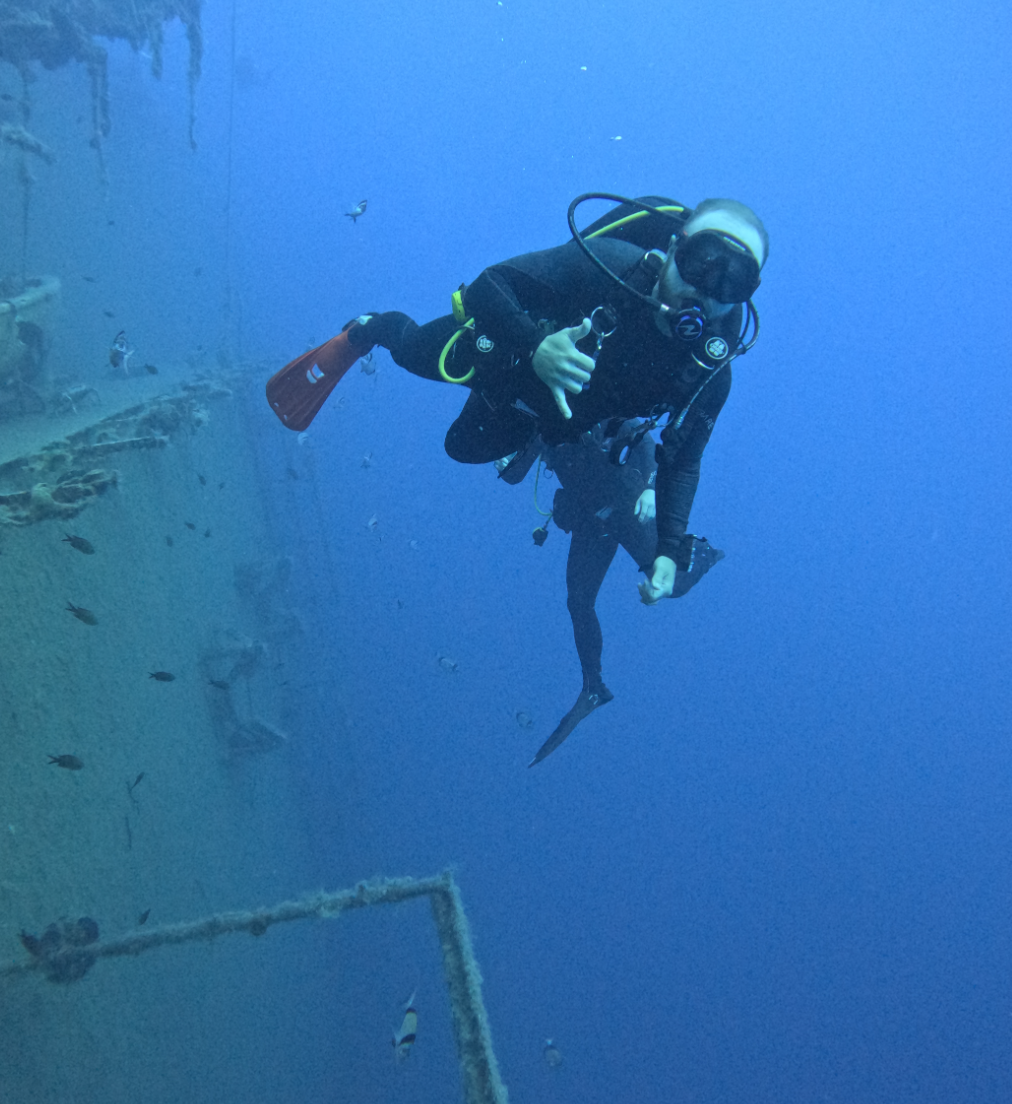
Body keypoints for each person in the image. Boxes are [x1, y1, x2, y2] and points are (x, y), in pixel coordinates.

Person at [266, 190, 767, 694]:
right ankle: (369, 329)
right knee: (416, 352)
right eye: (701, 261)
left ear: (745, 295)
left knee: (464, 447)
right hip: (505, 352)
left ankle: (533, 437)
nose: (706, 288)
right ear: (675, 247)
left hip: (555, 418)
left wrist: (669, 549)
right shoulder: (612, 268)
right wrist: (535, 348)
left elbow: (682, 461)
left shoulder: (708, 374)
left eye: (732, 280)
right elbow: (490, 284)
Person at [527, 418, 725, 763]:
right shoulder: (535, 416)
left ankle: (700, 552)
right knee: (578, 601)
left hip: (627, 507)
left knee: (669, 585)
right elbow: (516, 468)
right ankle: (593, 686)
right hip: (592, 518)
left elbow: (639, 436)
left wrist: (651, 486)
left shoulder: (580, 402)